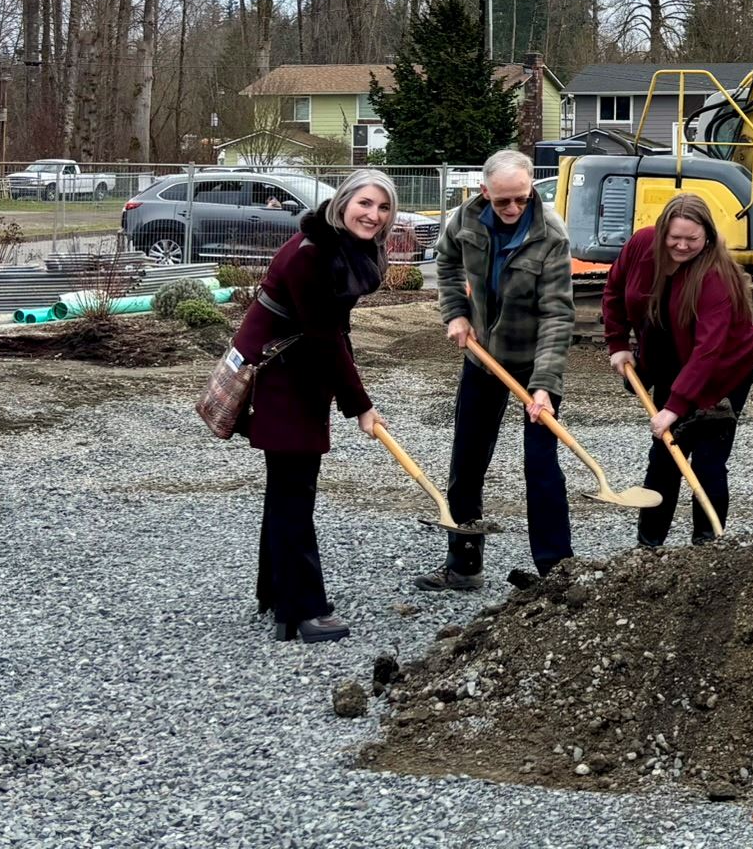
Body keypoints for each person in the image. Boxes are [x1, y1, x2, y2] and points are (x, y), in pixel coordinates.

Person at [234, 168, 398, 643]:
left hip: (297, 369)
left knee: (285, 487)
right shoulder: (312, 255)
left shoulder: (339, 246)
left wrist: (352, 396)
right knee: (294, 491)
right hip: (279, 375)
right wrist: (361, 406)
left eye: (383, 207)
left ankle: (276, 594)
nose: (373, 215)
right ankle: (303, 609)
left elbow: (330, 334)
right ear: (343, 202)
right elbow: (325, 338)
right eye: (365, 203)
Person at [419, 149, 576, 593]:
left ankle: (556, 571)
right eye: (503, 200)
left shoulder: (552, 237)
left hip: (534, 362)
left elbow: (558, 316)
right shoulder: (465, 221)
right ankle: (464, 566)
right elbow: (446, 264)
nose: (512, 210)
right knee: (467, 461)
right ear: (485, 192)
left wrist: (543, 387)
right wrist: (455, 312)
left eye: (521, 200)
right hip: (483, 357)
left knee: (540, 464)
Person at [604, 193, 753, 546]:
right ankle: (649, 546)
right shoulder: (642, 246)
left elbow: (709, 350)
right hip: (672, 361)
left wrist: (673, 409)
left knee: (707, 459)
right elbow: (614, 290)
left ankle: (707, 546)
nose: (682, 245)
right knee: (664, 455)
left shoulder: (715, 276)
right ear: (662, 232)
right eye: (675, 237)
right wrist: (617, 344)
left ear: (707, 236)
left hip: (723, 371)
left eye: (692, 239)